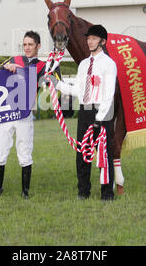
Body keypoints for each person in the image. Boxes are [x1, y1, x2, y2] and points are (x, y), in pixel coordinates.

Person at [48, 25, 117, 201]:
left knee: (103, 154)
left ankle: (107, 193)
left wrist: (99, 118)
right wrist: (57, 84)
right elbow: (78, 90)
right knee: (82, 153)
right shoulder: (84, 64)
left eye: (93, 39)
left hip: (102, 112)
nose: (90, 42)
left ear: (103, 41)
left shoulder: (109, 64)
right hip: (85, 111)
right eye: (88, 39)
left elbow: (109, 95)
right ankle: (83, 191)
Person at [0, 31, 61, 199]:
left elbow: (55, 80)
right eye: (25, 44)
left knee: (25, 151)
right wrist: (5, 67)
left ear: (38, 46)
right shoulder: (14, 59)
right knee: (0, 150)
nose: (27, 47)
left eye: (30, 44)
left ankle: (25, 191)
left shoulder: (43, 65)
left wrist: (51, 67)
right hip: (5, 113)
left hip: (24, 114)